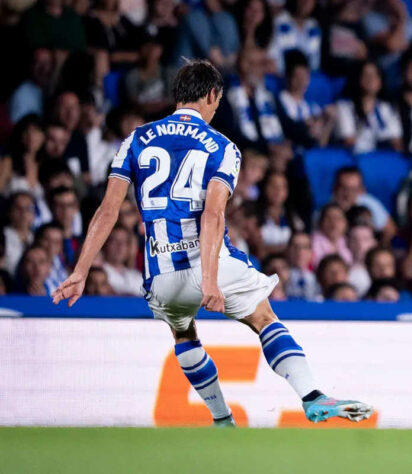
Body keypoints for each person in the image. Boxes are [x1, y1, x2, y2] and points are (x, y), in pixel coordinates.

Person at [52, 59, 372, 426]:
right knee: (265, 318)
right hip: (208, 266)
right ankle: (313, 396)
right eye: (218, 100)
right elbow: (213, 215)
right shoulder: (223, 147)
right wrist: (207, 279)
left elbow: (107, 212)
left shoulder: (136, 139)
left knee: (183, 332)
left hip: (160, 275)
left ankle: (222, 419)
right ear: (212, 94)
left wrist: (80, 270)